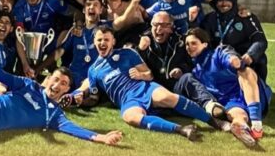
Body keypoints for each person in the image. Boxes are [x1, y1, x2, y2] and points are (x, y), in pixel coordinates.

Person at [73, 25, 229, 140]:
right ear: (94, 42)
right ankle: (182, 129)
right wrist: (81, 101)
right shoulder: (93, 70)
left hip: (143, 87)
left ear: (113, 41)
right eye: (99, 40)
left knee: (166, 97)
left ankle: (216, 122)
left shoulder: (128, 53)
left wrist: (140, 75)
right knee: (130, 117)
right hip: (127, 100)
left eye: (106, 39)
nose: (102, 43)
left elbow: (149, 74)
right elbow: (93, 98)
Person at [185, 28, 272, 147]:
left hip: (248, 91)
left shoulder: (217, 53)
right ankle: (241, 129)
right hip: (230, 102)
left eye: (193, 43)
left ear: (204, 44)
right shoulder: (195, 70)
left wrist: (233, 60)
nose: (189, 47)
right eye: (187, 44)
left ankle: (256, 124)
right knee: (238, 117)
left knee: (245, 71)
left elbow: (229, 57)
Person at [137, 11, 225, 117]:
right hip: (154, 89)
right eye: (155, 25)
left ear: (171, 27)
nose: (158, 29)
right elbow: (133, 65)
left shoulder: (181, 42)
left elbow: (191, 63)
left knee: (187, 77)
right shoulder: (142, 41)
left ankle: (210, 105)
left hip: (175, 88)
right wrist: (140, 49)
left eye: (164, 25)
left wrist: (181, 69)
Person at [201, 0, 268, 81]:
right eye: (220, 0)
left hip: (242, 57)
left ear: (233, 1)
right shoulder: (209, 19)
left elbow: (260, 40)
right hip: (219, 58)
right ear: (215, 3)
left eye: (227, 0)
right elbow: (201, 40)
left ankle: (259, 87)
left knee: (261, 59)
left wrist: (251, 54)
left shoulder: (246, 17)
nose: (223, 3)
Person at [13, 0, 73, 78]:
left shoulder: (51, 2)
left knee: (66, 34)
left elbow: (75, 13)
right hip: (29, 43)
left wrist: (78, 23)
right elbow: (19, 31)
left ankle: (43, 68)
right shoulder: (20, 5)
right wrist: (25, 63)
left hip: (49, 41)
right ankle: (26, 67)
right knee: (18, 37)